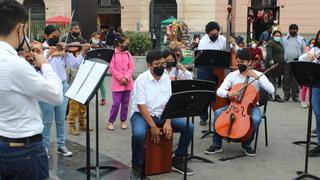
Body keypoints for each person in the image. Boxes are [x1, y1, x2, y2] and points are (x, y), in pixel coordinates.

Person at [0, 1, 62, 179]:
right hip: (24, 151)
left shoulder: (15, 62)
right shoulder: (15, 64)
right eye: (25, 30)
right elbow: (56, 95)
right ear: (20, 28)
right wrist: (44, 64)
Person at [129, 51, 194, 179]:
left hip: (163, 114)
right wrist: (153, 127)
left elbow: (169, 102)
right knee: (138, 134)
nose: (161, 66)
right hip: (141, 115)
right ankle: (137, 166)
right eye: (156, 64)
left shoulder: (165, 78)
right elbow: (141, 106)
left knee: (189, 126)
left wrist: (168, 122)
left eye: (162, 63)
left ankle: (178, 159)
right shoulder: (141, 80)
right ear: (149, 65)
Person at [205, 49, 274, 156]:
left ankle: (246, 144)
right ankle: (216, 144)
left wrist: (259, 79)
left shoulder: (259, 74)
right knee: (218, 113)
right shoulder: (232, 75)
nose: (239, 64)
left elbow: (272, 90)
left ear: (249, 62)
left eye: (242, 62)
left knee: (256, 119)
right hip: (233, 105)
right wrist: (228, 93)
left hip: (250, 107)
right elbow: (219, 91)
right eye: (238, 61)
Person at [40, 25, 86, 152]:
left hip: (62, 85)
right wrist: (50, 52)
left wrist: (82, 52)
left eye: (58, 36)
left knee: (60, 120)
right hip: (46, 87)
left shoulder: (63, 50)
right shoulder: (40, 49)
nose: (56, 39)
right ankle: (45, 148)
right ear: (46, 36)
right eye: (53, 37)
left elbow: (75, 64)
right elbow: (40, 63)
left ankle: (61, 145)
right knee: (47, 121)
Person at [197, 21, 238, 126]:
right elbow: (202, 58)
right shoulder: (203, 41)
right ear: (207, 34)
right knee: (204, 91)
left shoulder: (223, 39)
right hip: (205, 68)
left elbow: (236, 52)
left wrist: (234, 44)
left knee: (220, 89)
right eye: (212, 35)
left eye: (216, 34)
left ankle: (221, 112)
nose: (214, 36)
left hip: (219, 69)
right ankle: (203, 117)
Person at [299, 30, 320, 157]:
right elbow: (302, 58)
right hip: (317, 85)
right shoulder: (315, 49)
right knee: (318, 114)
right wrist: (309, 56)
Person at [108, 35, 135, 130]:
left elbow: (132, 67)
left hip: (127, 83)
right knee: (116, 103)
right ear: (120, 44)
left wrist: (127, 77)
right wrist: (121, 78)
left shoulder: (128, 54)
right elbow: (112, 68)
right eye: (126, 43)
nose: (127, 45)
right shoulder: (113, 54)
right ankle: (111, 121)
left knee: (125, 103)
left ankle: (123, 121)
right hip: (117, 84)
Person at [282, 24, 306, 102]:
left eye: (295, 29)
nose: (293, 30)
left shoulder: (301, 39)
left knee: (295, 80)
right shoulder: (284, 39)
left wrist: (302, 61)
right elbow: (282, 50)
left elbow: (304, 51)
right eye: (291, 29)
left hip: (297, 63)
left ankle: (295, 96)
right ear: (289, 30)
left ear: (297, 30)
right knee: (286, 79)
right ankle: (286, 95)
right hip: (287, 62)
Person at [265, 30, 285, 102]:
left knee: (274, 80)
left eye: (279, 36)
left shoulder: (279, 43)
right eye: (276, 35)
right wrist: (272, 63)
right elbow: (269, 55)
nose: (278, 37)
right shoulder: (270, 43)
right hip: (272, 65)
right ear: (273, 36)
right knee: (272, 80)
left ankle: (274, 94)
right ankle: (271, 94)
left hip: (278, 66)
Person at [89, 32, 107, 106]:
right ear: (92, 37)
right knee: (89, 83)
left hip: (100, 65)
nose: (96, 39)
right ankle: (88, 97)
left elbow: (104, 55)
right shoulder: (88, 44)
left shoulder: (101, 45)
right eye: (95, 37)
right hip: (91, 65)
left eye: (98, 38)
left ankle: (103, 99)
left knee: (101, 83)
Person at [300, 38, 315, 108]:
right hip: (305, 70)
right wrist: (308, 54)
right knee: (305, 86)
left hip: (313, 71)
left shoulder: (316, 50)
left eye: (314, 43)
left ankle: (309, 101)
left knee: (311, 87)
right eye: (311, 43)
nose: (312, 44)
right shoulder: (307, 50)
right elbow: (301, 58)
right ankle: (303, 101)